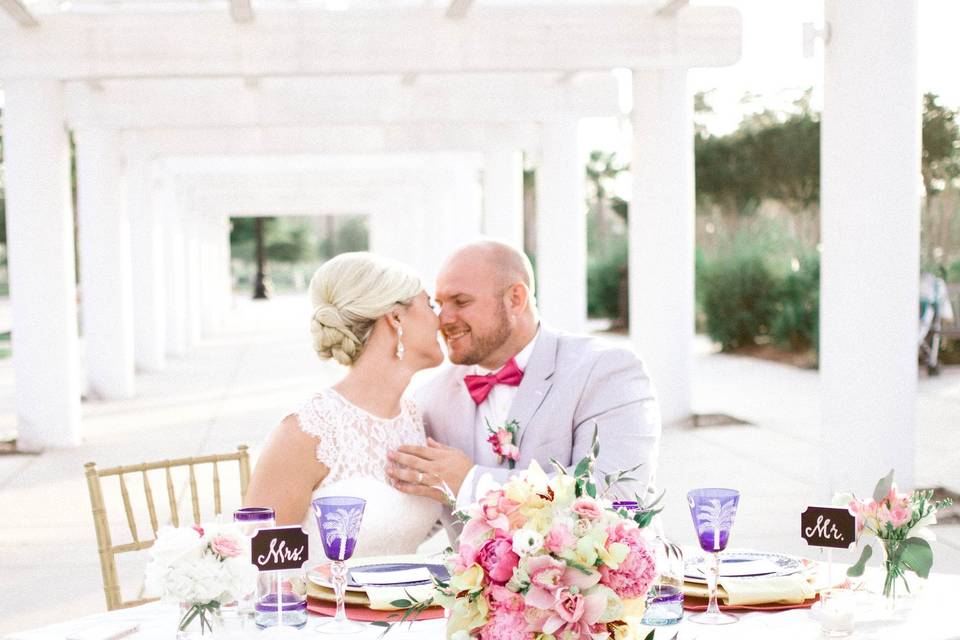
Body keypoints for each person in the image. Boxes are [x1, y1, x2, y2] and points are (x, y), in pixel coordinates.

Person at [386, 240, 661, 529]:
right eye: (439, 305)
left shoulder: (607, 370)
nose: (444, 319)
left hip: (600, 573)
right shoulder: (431, 397)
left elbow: (610, 493)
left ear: (515, 299)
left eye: (461, 301)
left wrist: (473, 483)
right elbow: (423, 515)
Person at [244, 252, 443, 561]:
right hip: (322, 608)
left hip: (405, 605)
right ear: (396, 318)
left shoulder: (414, 419)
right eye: (429, 305)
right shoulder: (308, 431)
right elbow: (262, 562)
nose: (440, 319)